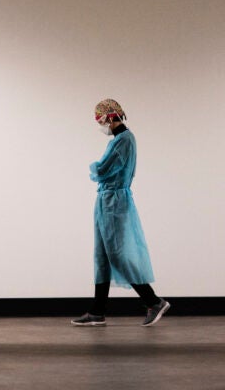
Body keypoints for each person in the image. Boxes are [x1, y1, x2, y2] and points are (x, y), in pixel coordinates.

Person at [72, 99, 170, 327]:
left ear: (109, 117)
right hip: (106, 200)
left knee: (118, 254)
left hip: (115, 202)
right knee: (102, 256)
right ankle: (97, 311)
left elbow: (102, 169)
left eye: (101, 120)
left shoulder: (125, 140)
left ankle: (153, 301)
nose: (100, 125)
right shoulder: (119, 140)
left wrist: (95, 168)